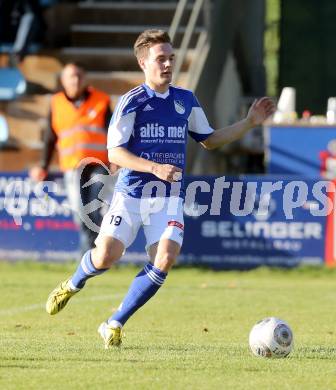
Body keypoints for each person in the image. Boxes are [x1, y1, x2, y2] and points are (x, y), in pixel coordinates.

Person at [45, 30, 275, 349]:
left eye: (171, 58)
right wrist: (154, 167)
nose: (167, 64)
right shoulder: (132, 102)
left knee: (165, 258)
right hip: (131, 194)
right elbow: (114, 153)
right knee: (105, 257)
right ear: (143, 63)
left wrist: (249, 123)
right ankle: (72, 283)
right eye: (160, 59)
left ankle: (115, 322)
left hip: (168, 197)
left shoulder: (185, 100)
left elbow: (208, 139)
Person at [30, 62, 115, 255]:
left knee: (93, 209)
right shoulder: (56, 102)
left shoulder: (101, 100)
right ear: (63, 80)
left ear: (84, 79)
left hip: (98, 165)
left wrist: (116, 160)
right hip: (72, 167)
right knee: (80, 212)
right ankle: (94, 253)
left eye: (78, 76)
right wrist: (43, 165)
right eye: (71, 76)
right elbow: (50, 138)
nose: (75, 80)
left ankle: (89, 255)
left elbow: (113, 133)